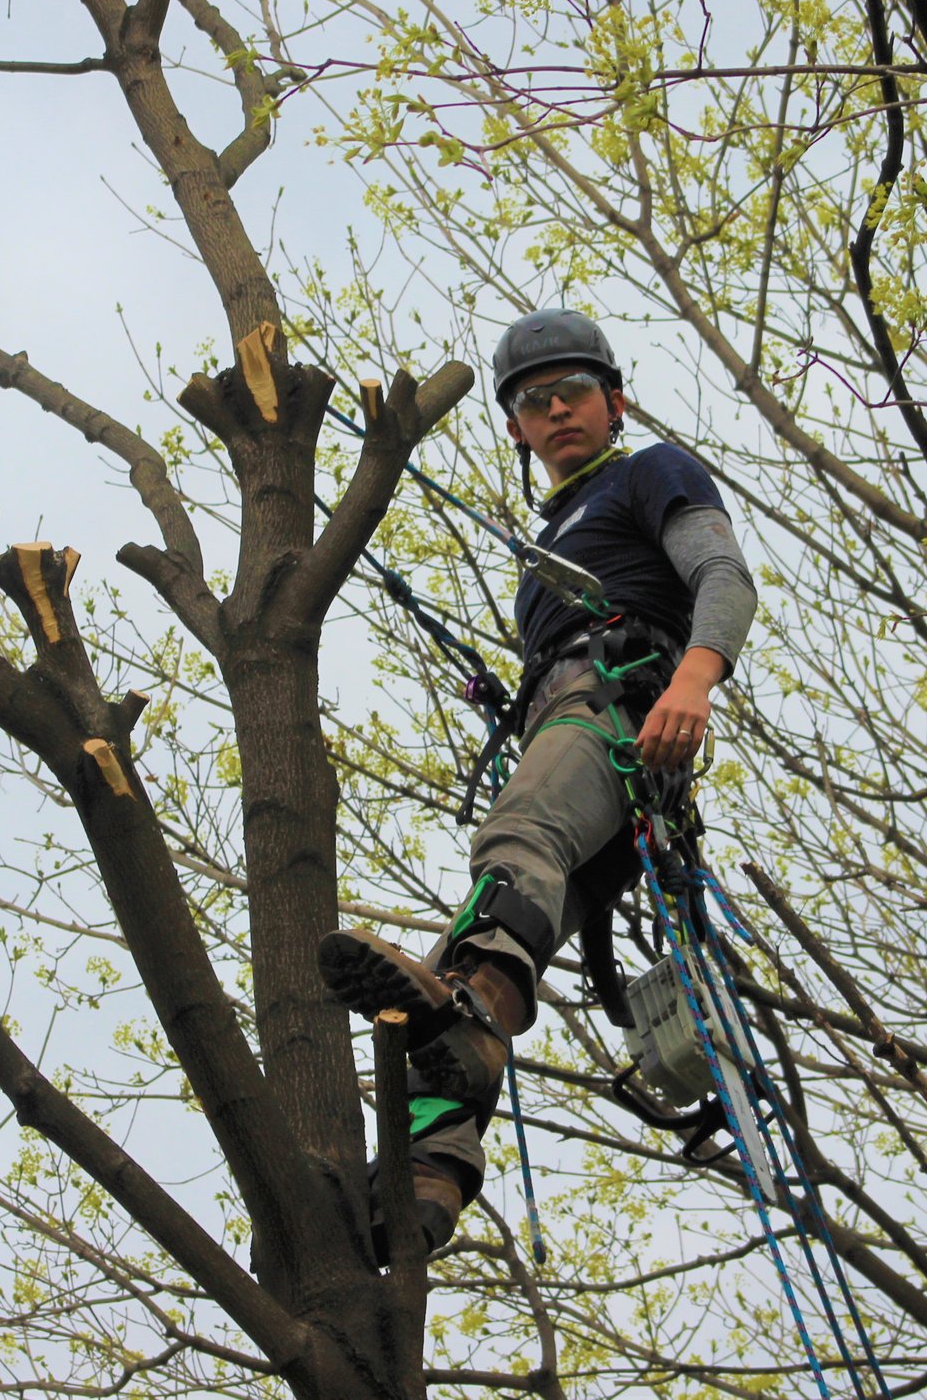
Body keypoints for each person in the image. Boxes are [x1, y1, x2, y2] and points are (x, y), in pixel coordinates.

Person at [318, 308, 759, 1255]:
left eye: (574, 392)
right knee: (471, 939)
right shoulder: (549, 541)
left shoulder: (650, 472)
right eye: (532, 400)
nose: (555, 409)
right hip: (570, 722)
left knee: (514, 849)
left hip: (620, 714)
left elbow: (723, 573)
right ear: (514, 426)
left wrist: (694, 677)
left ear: (614, 402)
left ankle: (473, 1011)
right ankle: (430, 1178)